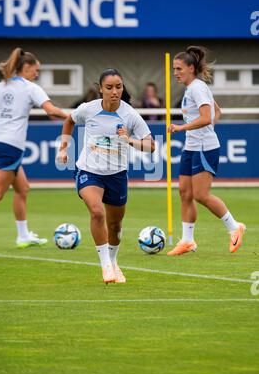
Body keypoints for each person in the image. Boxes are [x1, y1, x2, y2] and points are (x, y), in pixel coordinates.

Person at [0, 47, 67, 252]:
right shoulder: (30, 88)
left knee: (22, 188)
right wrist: (76, 116)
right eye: (36, 70)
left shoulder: (0, 86)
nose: (37, 74)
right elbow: (51, 111)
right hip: (11, 145)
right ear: (25, 67)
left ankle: (23, 236)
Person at [56, 68, 155, 284]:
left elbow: (151, 146)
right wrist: (63, 148)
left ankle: (113, 261)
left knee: (115, 226)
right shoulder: (88, 109)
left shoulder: (130, 115)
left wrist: (129, 141)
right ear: (100, 89)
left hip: (117, 175)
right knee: (96, 212)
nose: (114, 92)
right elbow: (69, 121)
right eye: (109, 87)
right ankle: (105, 266)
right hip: (89, 171)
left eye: (118, 87)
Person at [167, 46, 246, 256]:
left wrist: (181, 128)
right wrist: (203, 129)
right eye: (174, 69)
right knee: (185, 192)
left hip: (204, 148)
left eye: (179, 69)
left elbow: (205, 117)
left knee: (201, 195)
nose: (175, 73)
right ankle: (187, 241)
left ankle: (234, 227)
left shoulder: (197, 88)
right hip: (191, 147)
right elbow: (216, 111)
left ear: (191, 68)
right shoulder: (191, 88)